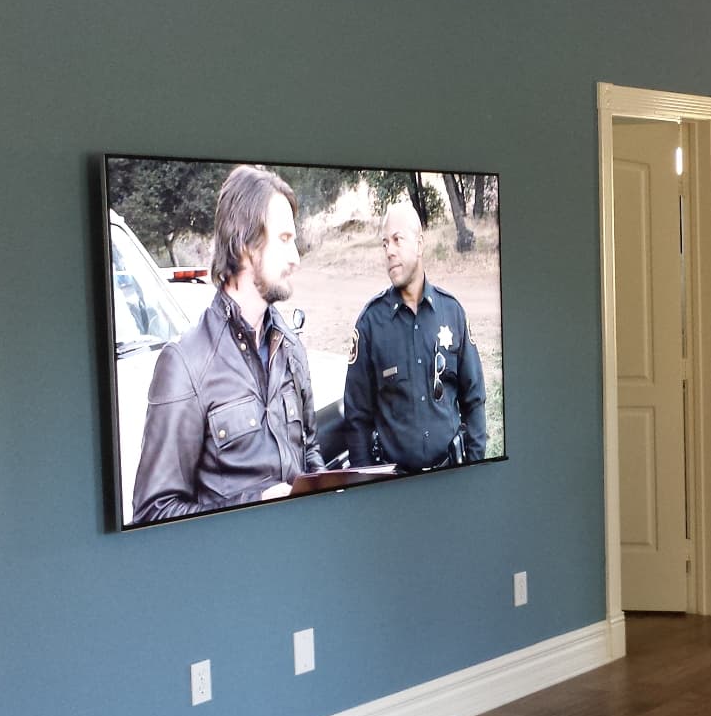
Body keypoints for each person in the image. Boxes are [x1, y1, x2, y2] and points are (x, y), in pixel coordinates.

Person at [131, 166, 324, 524]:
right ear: (244, 244)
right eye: (284, 239)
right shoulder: (185, 363)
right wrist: (254, 504)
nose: (296, 257)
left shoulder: (291, 347)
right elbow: (152, 513)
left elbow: (309, 451)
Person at [344, 199, 485, 471]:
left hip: (450, 478)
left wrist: (474, 466)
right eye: (385, 243)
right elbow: (357, 418)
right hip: (396, 488)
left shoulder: (452, 312)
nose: (389, 251)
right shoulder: (370, 324)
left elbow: (475, 398)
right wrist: (366, 484)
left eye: (398, 240)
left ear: (420, 244)